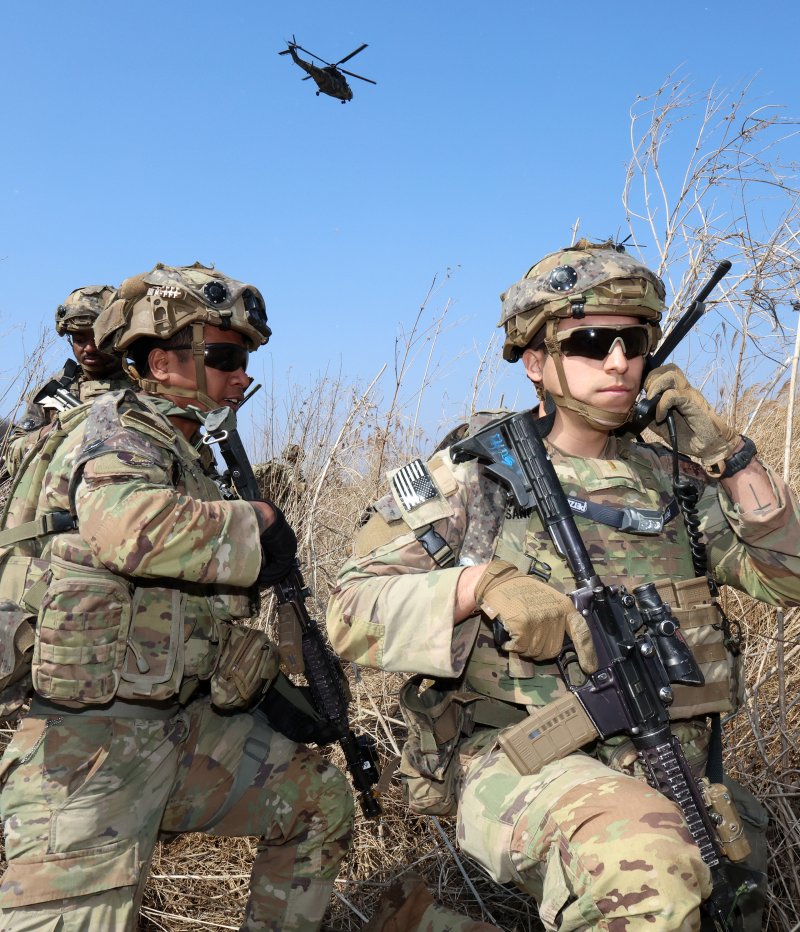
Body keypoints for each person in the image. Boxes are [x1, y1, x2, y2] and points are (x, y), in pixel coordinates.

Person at [327, 241, 800, 930]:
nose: (617, 361)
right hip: (519, 764)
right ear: (538, 363)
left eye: (633, 341)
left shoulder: (674, 482)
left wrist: (729, 454)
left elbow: (790, 577)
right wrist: (480, 585)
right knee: (648, 873)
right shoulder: (475, 477)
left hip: (671, 767)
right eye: (589, 342)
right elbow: (349, 611)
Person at [0, 263, 354, 931]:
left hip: (178, 731)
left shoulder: (186, 452)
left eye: (244, 358)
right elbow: (125, 528)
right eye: (223, 357)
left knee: (317, 799)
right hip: (90, 752)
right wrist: (261, 524)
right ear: (161, 363)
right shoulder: (115, 430)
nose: (241, 375)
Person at [3, 284, 132, 476]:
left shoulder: (145, 384)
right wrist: (56, 431)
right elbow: (12, 455)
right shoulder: (57, 389)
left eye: (98, 338)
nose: (89, 348)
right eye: (80, 339)